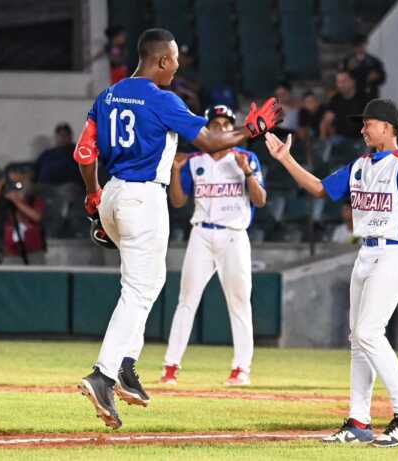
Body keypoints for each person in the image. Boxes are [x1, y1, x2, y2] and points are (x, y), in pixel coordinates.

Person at [74, 28, 281, 430]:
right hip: (144, 198)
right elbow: (209, 142)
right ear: (162, 60)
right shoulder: (162, 98)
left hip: (113, 194)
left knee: (146, 286)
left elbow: (84, 151)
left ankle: (126, 366)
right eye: (175, 59)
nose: (178, 66)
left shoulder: (108, 95)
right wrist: (250, 132)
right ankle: (103, 375)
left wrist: (93, 195)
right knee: (137, 291)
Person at [264, 99, 398, 447]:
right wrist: (285, 158)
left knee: (369, 332)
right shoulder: (360, 164)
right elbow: (320, 188)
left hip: (395, 253)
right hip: (366, 251)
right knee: (358, 339)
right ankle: (359, 422)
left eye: (369, 123)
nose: (362, 128)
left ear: (388, 127)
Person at [160, 105, 266, 387]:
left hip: (234, 235)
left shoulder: (245, 157)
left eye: (226, 123)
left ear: (233, 128)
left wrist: (248, 174)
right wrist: (174, 171)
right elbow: (179, 202)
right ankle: (170, 366)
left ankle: (241, 368)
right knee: (186, 300)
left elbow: (261, 200)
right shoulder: (195, 160)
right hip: (201, 234)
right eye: (215, 123)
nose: (221, 127)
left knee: (240, 302)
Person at [0, 168, 46, 265]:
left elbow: (37, 217)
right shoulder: (5, 202)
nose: (15, 186)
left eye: (19, 183)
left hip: (33, 252)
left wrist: (17, 202)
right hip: (10, 253)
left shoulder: (34, 200)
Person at [320, 71, 369, 142]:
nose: (340, 85)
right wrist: (323, 141)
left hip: (361, 139)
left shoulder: (364, 99)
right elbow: (325, 121)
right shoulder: (335, 99)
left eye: (344, 81)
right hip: (340, 138)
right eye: (338, 82)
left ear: (352, 82)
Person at [342, 35, 387, 100]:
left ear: (365, 45)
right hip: (353, 96)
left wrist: (377, 77)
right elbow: (341, 77)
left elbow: (383, 78)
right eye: (358, 45)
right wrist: (349, 71)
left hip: (370, 94)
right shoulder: (347, 61)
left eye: (362, 45)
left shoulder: (374, 61)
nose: (360, 48)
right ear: (354, 47)